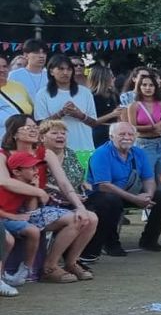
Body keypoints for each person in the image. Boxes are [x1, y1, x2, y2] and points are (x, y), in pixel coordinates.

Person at [3, 116, 95, 280]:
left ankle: (61, 264)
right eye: (27, 128)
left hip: (36, 208)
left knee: (86, 217)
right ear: (14, 133)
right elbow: (4, 181)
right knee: (76, 219)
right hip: (10, 207)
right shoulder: (3, 154)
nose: (33, 130)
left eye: (34, 127)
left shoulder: (45, 152)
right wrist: (38, 192)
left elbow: (63, 183)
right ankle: (48, 268)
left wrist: (79, 206)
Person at [82, 122, 161, 258]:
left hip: (129, 192)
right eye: (122, 134)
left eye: (130, 134)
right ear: (111, 136)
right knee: (111, 200)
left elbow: (148, 179)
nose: (127, 137)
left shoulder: (139, 153)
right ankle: (110, 244)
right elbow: (104, 185)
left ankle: (149, 240)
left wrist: (148, 196)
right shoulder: (101, 154)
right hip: (101, 197)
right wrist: (135, 199)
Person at [30, 55, 99, 167]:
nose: (65, 72)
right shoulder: (43, 94)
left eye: (68, 69)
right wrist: (61, 113)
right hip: (55, 151)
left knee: (86, 184)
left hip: (84, 148)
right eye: (61, 69)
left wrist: (79, 115)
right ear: (51, 71)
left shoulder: (85, 92)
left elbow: (94, 123)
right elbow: (41, 125)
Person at [0, 151, 46, 287]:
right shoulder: (5, 187)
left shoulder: (27, 186)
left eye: (36, 167)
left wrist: (34, 189)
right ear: (17, 172)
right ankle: (2, 274)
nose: (36, 171)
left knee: (34, 231)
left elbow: (31, 210)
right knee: (8, 239)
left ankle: (26, 270)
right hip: (4, 219)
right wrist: (13, 216)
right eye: (31, 168)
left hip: (8, 220)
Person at [126, 70, 161, 180]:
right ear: (139, 87)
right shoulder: (133, 106)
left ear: (156, 87)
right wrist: (153, 127)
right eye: (144, 85)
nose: (148, 88)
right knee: (146, 178)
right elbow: (132, 128)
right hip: (143, 144)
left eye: (151, 85)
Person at [88, 68, 121, 148]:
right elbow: (90, 121)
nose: (114, 79)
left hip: (114, 131)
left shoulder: (114, 94)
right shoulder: (92, 97)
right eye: (111, 77)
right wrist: (112, 114)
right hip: (99, 132)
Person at [0, 56, 35, 126]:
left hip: (24, 132)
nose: (2, 70)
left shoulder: (18, 86)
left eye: (4, 66)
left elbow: (32, 108)